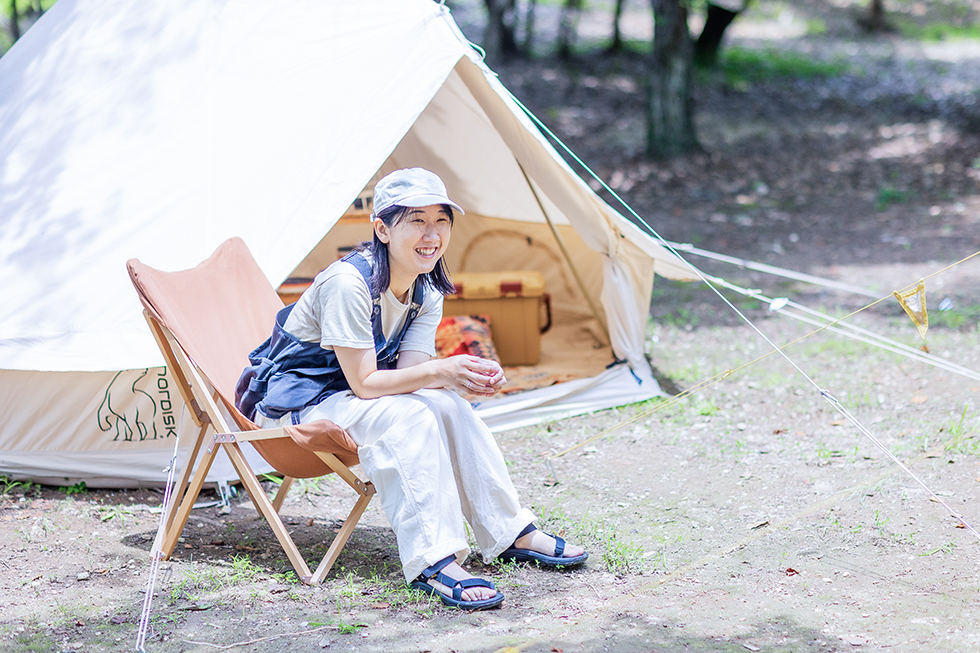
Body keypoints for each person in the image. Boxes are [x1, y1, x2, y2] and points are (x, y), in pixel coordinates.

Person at [237, 167, 587, 610]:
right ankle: (433, 561)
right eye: (417, 220)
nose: (432, 234)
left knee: (445, 403)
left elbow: (414, 375)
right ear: (382, 228)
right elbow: (367, 384)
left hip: (347, 398)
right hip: (296, 404)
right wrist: (443, 370)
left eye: (442, 220)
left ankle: (510, 530)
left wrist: (461, 378)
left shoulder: (427, 287)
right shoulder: (348, 284)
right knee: (411, 414)